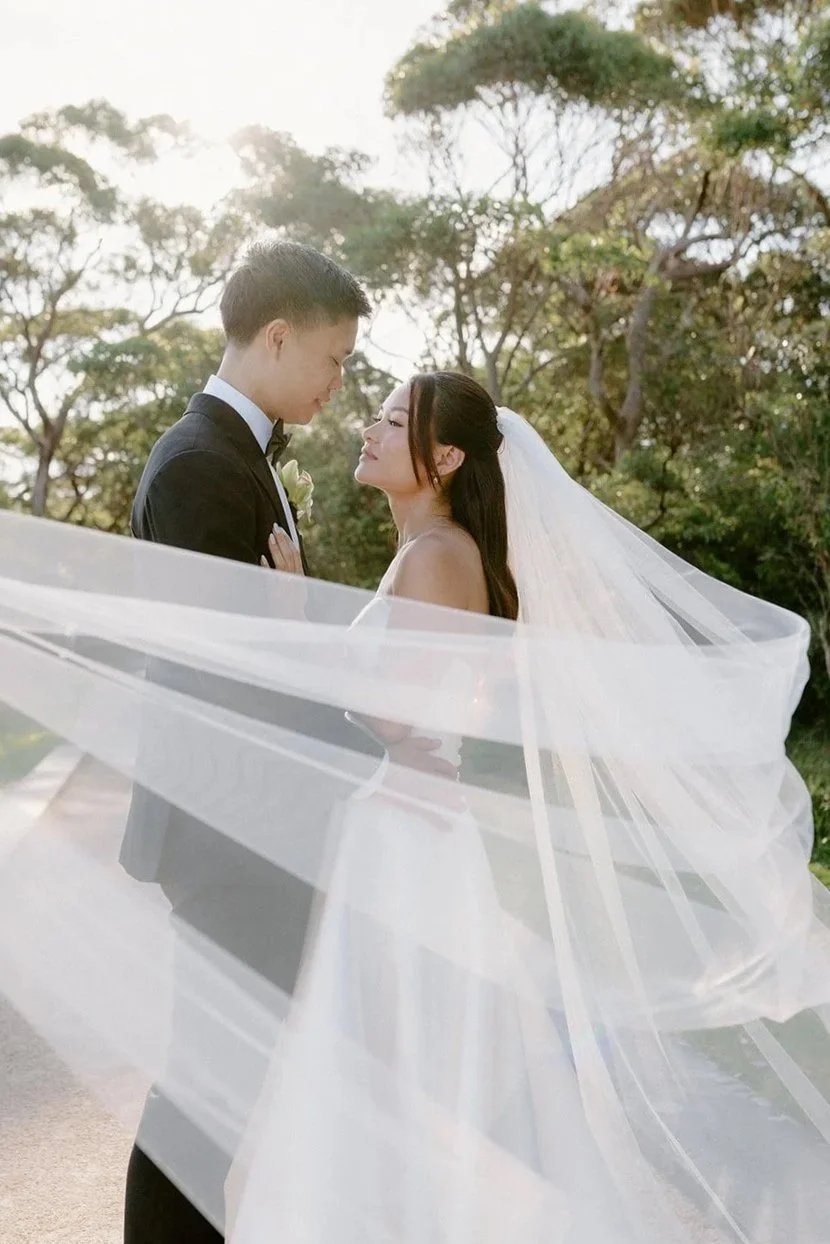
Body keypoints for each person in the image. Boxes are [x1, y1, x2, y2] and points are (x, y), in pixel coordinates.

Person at [123, 240, 372, 1244]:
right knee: (205, 1095)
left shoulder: (233, 456)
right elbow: (227, 677)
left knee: (224, 1091)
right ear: (277, 336)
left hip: (250, 826)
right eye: (334, 358)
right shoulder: (197, 468)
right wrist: (299, 626)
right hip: (233, 830)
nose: (337, 380)